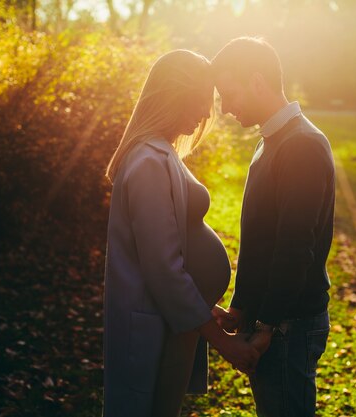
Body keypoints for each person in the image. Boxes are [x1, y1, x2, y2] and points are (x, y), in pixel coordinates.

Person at [103, 49, 259, 417]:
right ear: (175, 97)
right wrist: (224, 343)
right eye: (200, 101)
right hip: (154, 329)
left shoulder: (162, 153)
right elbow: (162, 268)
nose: (206, 113)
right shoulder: (147, 163)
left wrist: (207, 307)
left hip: (175, 323)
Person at [211, 37, 336, 417]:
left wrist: (267, 325)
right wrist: (242, 308)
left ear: (257, 81)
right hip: (273, 319)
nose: (226, 107)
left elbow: (296, 247)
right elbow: (263, 239)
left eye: (229, 93)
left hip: (289, 324)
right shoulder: (271, 139)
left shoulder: (300, 145)